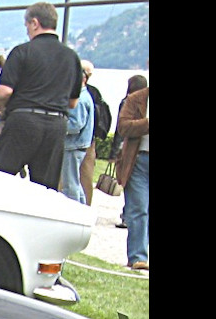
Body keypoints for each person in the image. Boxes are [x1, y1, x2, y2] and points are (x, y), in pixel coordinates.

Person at [0, 2, 82, 188]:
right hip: (56, 124)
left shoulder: (23, 51)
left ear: (34, 23)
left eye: (27, 25)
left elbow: (5, 91)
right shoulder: (72, 57)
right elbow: (73, 102)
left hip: (24, 119)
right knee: (45, 187)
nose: (27, 30)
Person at [115, 82, 149, 270]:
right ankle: (138, 257)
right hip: (138, 161)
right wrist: (146, 123)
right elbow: (123, 127)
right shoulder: (136, 99)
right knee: (138, 209)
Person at [59, 66, 95, 203]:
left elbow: (76, 125)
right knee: (75, 182)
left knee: (70, 184)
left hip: (73, 145)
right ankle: (81, 207)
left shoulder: (80, 99)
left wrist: (59, 124)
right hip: (78, 145)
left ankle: (72, 209)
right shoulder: (85, 96)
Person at [78, 60, 111, 205]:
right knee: (86, 176)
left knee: (67, 176)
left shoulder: (76, 90)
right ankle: (86, 206)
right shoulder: (94, 92)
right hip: (89, 140)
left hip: (77, 139)